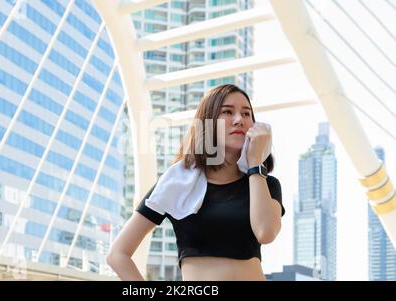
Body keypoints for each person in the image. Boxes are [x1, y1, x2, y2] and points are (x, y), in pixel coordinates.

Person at [106, 84, 285, 281]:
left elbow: (265, 233)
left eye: (246, 114)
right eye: (227, 112)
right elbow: (118, 254)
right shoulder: (177, 182)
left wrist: (256, 164)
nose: (239, 120)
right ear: (207, 122)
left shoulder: (265, 184)